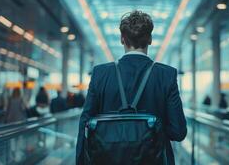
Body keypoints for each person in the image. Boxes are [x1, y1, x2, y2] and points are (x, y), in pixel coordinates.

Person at [76, 11, 187, 165]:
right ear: (150, 39)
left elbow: (85, 124)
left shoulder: (100, 74)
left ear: (122, 39)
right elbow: (178, 132)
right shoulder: (166, 75)